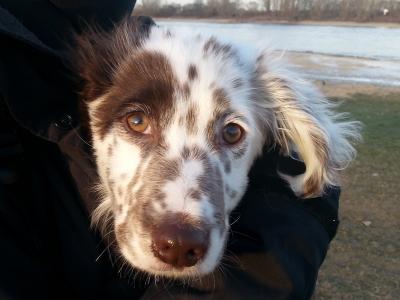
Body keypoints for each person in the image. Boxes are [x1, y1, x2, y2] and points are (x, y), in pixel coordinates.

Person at [0, 1, 340, 299]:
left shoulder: (138, 50)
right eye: (136, 123)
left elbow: (309, 186)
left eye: (232, 133)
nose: (184, 220)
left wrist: (313, 178)